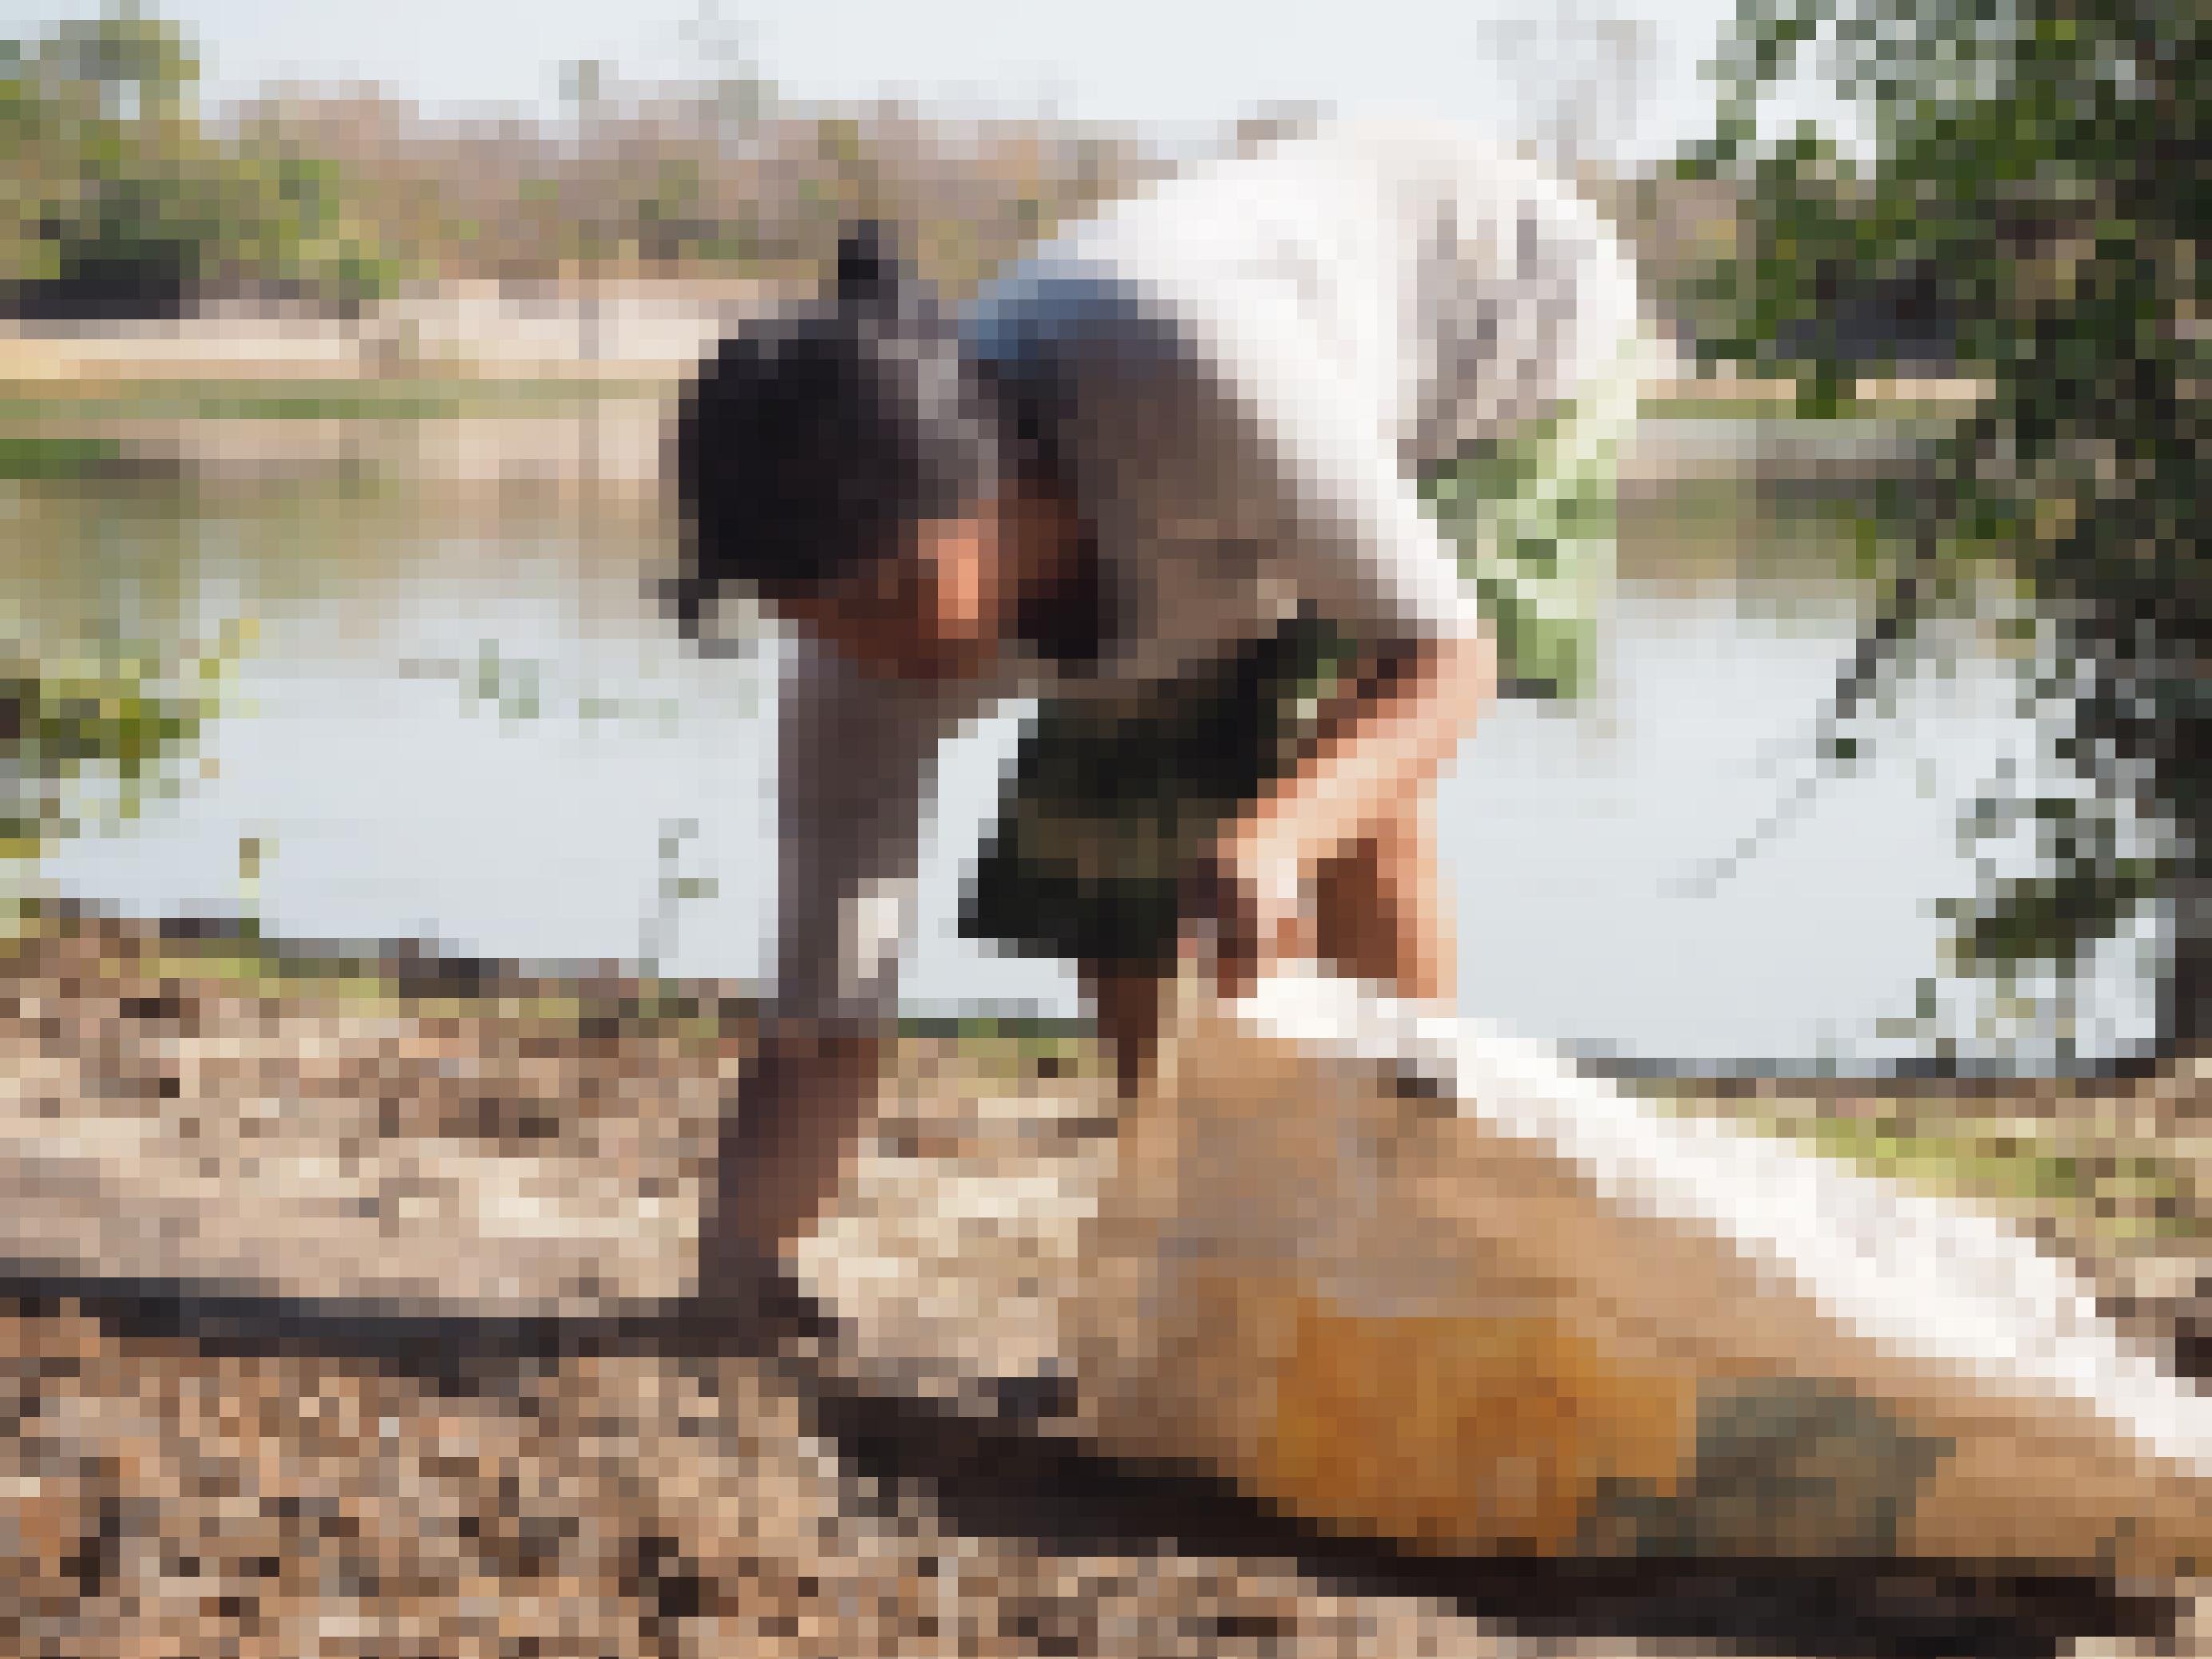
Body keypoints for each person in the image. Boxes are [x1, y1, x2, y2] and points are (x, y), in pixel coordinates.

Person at [671, 122, 1651, 1336]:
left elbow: (1444, 659)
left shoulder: (1186, 366)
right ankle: (1214, 1246)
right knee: (1109, 844)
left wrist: (1282, 839)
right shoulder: (853, 670)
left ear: (1000, 483)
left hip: (1495, 316)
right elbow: (821, 1027)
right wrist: (734, 1270)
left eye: (897, 597)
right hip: (1228, 483)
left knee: (1339, 776)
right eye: (817, 622)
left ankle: (1407, 1229)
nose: (878, 654)